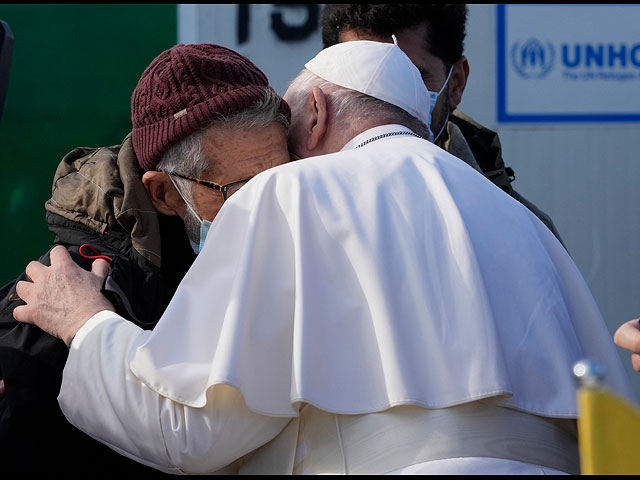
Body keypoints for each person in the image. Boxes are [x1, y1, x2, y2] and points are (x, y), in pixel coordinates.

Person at [14, 40, 634, 475]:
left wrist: (84, 324)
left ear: (314, 113)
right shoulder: (527, 223)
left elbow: (190, 430)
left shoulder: (292, 194)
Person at [0, 43, 290, 475]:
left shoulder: (292, 252)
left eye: (285, 179)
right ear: (165, 194)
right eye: (242, 191)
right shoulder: (51, 306)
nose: (276, 208)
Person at [320, 4, 565, 245]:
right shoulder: (293, 205)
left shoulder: (526, 234)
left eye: (410, 75)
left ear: (456, 83)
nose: (381, 101)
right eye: (360, 78)